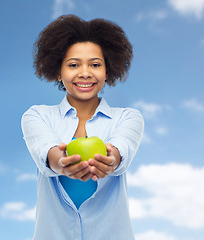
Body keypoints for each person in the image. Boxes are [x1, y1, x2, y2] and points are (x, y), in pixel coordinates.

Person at [21, 14, 144, 240]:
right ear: (58, 72)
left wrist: (110, 160)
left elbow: (122, 148)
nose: (85, 72)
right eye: (73, 64)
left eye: (95, 65)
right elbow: (46, 151)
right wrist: (62, 165)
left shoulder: (127, 117)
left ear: (107, 71)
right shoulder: (37, 116)